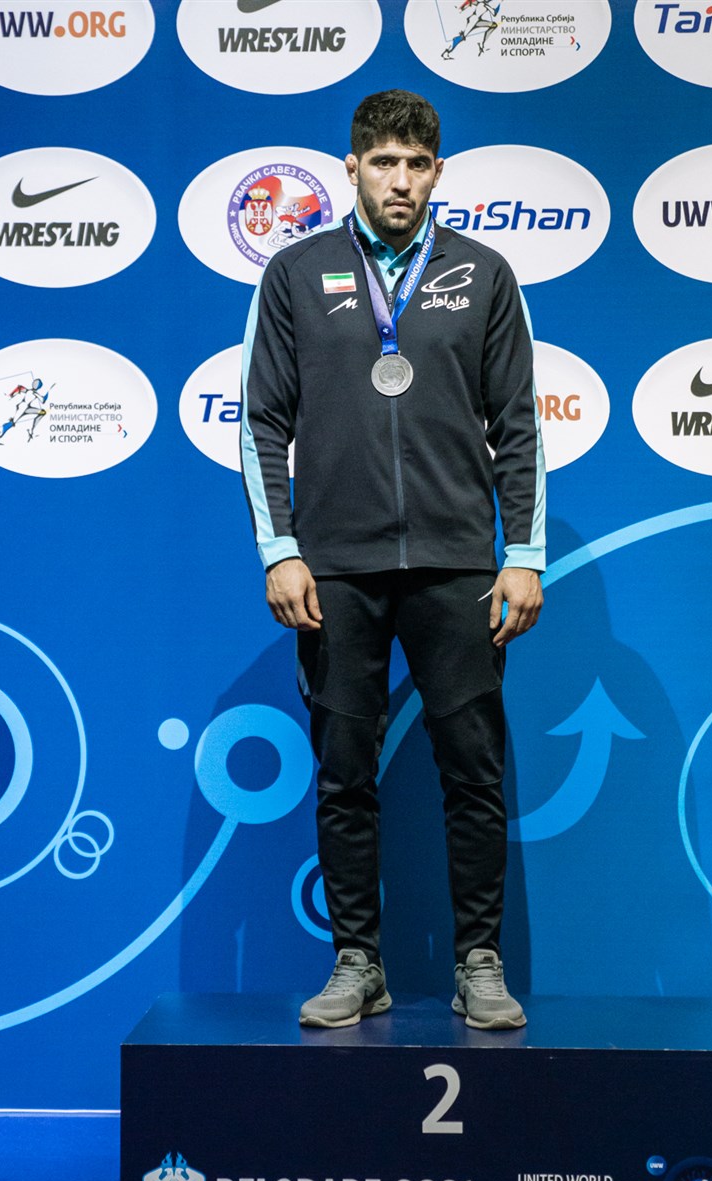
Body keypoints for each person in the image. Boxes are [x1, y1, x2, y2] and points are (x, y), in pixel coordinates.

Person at [240, 90, 545, 1030]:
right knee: (344, 774)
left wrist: (522, 551)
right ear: (352, 169)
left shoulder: (483, 273)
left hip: (457, 563)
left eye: (416, 164)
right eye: (383, 163)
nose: (400, 180)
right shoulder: (296, 273)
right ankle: (356, 961)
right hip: (335, 568)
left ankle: (478, 961)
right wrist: (281, 549)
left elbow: (519, 426)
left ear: (437, 172)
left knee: (473, 773)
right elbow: (261, 423)